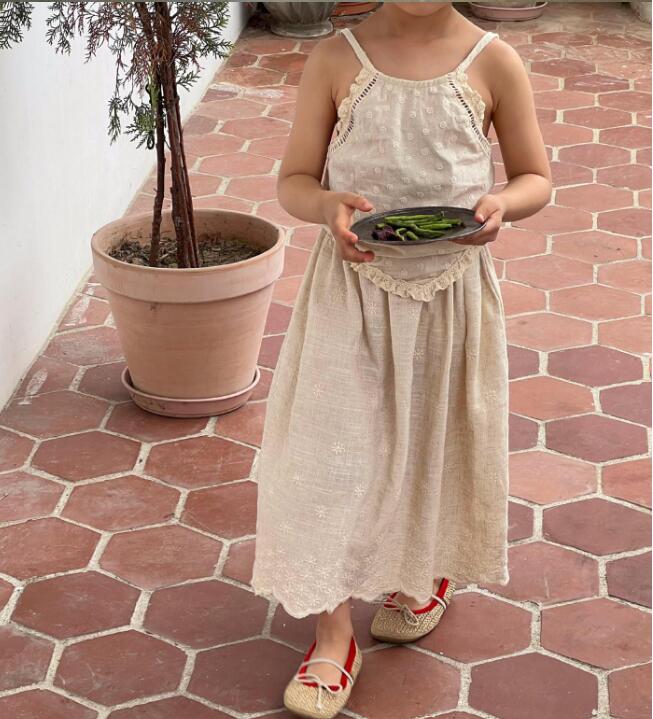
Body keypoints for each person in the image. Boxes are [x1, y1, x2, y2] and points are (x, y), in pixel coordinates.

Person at [251, 3, 552, 717]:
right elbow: (294, 179)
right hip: (349, 293)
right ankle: (333, 634)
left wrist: (502, 204)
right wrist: (325, 204)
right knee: (326, 456)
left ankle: (421, 573)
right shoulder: (335, 58)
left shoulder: (492, 61)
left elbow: (536, 177)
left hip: (449, 294)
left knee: (430, 445)